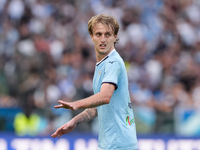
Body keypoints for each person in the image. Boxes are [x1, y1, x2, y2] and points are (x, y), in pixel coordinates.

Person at [51, 13, 138, 150]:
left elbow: (105, 97)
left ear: (115, 37)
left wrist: (76, 104)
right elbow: (99, 106)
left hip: (118, 143)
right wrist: (74, 121)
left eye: (108, 34)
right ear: (92, 37)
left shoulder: (112, 62)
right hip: (110, 143)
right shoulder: (102, 64)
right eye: (98, 34)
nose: (103, 39)